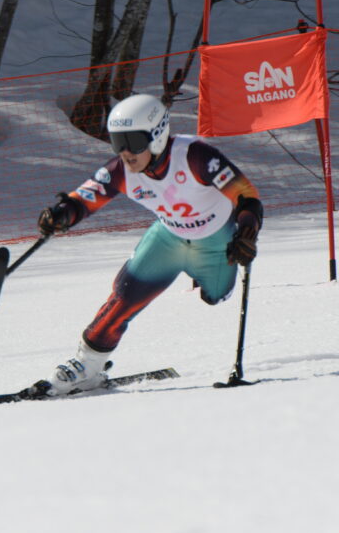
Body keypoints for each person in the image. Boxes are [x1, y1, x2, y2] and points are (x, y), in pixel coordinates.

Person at [24, 93, 263, 397]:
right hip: (169, 238)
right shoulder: (121, 171)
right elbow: (83, 200)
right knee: (124, 295)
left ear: (158, 135)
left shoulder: (195, 156)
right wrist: (60, 215)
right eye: (117, 142)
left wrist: (246, 231)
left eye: (134, 142)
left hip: (215, 241)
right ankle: (88, 366)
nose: (125, 152)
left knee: (215, 296)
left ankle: (207, 279)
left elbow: (247, 196)